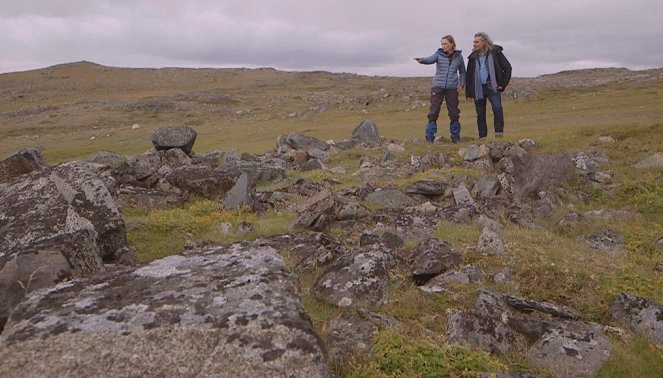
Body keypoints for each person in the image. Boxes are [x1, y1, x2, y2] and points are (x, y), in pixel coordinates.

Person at [415, 35, 466, 143]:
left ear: (452, 44)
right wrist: (422, 60)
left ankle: (456, 137)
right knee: (433, 112)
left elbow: (462, 72)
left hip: (452, 88)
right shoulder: (438, 54)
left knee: (454, 113)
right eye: (442, 44)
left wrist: (461, 84)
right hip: (437, 87)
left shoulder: (459, 57)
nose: (443, 46)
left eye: (446, 43)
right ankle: (429, 137)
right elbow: (430, 59)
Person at [465, 32, 512, 140]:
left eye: (476, 42)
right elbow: (469, 76)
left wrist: (502, 84)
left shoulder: (495, 53)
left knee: (497, 108)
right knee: (480, 113)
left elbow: (508, 68)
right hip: (478, 88)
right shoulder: (472, 57)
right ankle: (482, 137)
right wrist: (469, 93)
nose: (474, 44)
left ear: (484, 42)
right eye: (474, 42)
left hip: (493, 86)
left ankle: (499, 133)